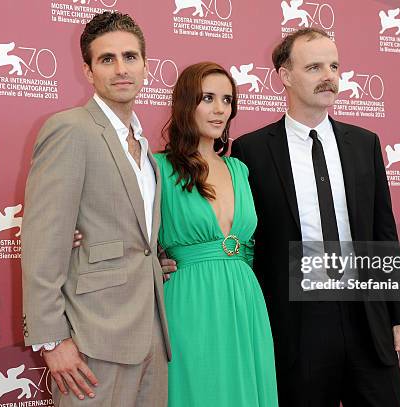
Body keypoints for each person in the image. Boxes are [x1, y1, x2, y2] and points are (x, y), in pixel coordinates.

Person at [229, 28, 400, 406]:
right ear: (284, 76)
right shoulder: (251, 150)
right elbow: (249, 239)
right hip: (298, 324)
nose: (328, 76)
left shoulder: (365, 143)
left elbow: (383, 233)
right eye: (314, 67)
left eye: (334, 66)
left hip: (367, 317)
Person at [22, 12, 170, 407]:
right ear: (88, 71)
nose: (121, 69)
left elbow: (133, 235)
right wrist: (52, 341)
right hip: (92, 337)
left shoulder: (145, 145)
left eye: (130, 57)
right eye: (107, 59)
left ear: (145, 65)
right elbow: (43, 241)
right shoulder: (70, 129)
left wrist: (157, 260)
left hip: (151, 334)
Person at [155, 62, 278, 406]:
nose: (219, 109)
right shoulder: (159, 168)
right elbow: (132, 234)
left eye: (227, 99)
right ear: (185, 104)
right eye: (207, 98)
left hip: (244, 300)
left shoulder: (239, 168)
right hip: (189, 301)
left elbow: (252, 246)